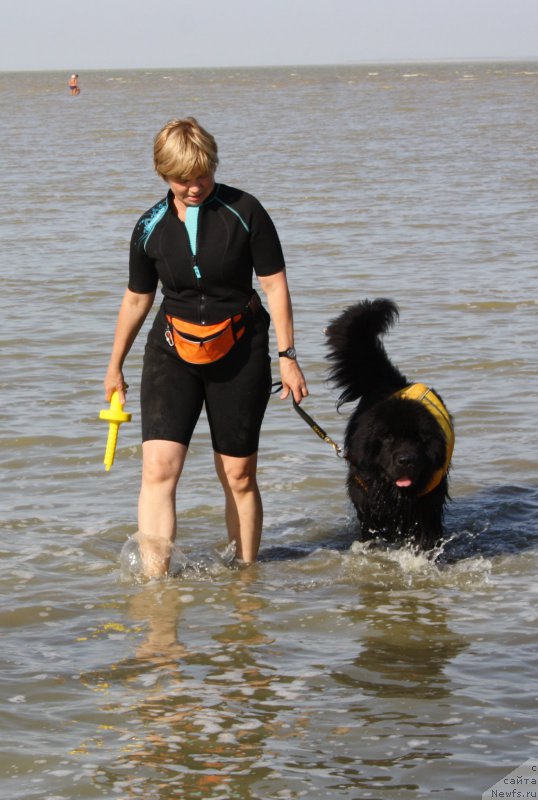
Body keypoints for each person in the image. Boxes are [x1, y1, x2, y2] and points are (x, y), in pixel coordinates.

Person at [104, 117, 308, 578]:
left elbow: (275, 286)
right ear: (163, 173)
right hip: (171, 351)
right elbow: (137, 298)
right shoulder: (149, 225)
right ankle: (156, 589)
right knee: (158, 469)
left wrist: (288, 356)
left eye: (203, 175)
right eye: (183, 179)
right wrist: (114, 365)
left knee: (238, 475)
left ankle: (246, 583)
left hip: (239, 351)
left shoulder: (246, 211)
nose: (195, 187)